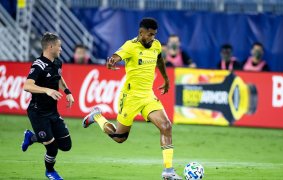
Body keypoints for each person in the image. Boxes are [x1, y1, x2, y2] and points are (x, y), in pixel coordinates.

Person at [82, 18, 182, 180]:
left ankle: (168, 171)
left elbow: (159, 60)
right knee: (119, 138)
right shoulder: (130, 46)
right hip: (130, 98)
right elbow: (116, 56)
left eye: (155, 35)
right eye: (150, 35)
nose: (152, 38)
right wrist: (111, 61)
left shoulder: (156, 45)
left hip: (148, 96)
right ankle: (97, 116)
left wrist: (166, 79)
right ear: (141, 33)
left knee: (166, 126)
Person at [21, 32, 75, 180]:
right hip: (38, 113)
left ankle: (31, 137)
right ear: (50, 46)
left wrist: (67, 91)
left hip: (52, 112)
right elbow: (27, 85)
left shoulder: (57, 62)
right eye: (59, 46)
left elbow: (58, 77)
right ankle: (50, 171)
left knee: (66, 145)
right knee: (51, 147)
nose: (61, 49)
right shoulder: (38, 65)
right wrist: (46, 90)